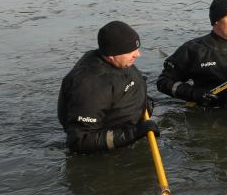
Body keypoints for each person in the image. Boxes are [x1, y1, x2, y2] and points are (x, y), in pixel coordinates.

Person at [58, 20, 160, 153]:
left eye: (136, 49)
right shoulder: (90, 85)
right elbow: (79, 141)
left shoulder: (119, 61)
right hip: (107, 150)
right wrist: (132, 134)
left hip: (128, 125)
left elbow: (123, 85)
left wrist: (143, 101)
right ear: (111, 56)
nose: (137, 54)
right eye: (130, 51)